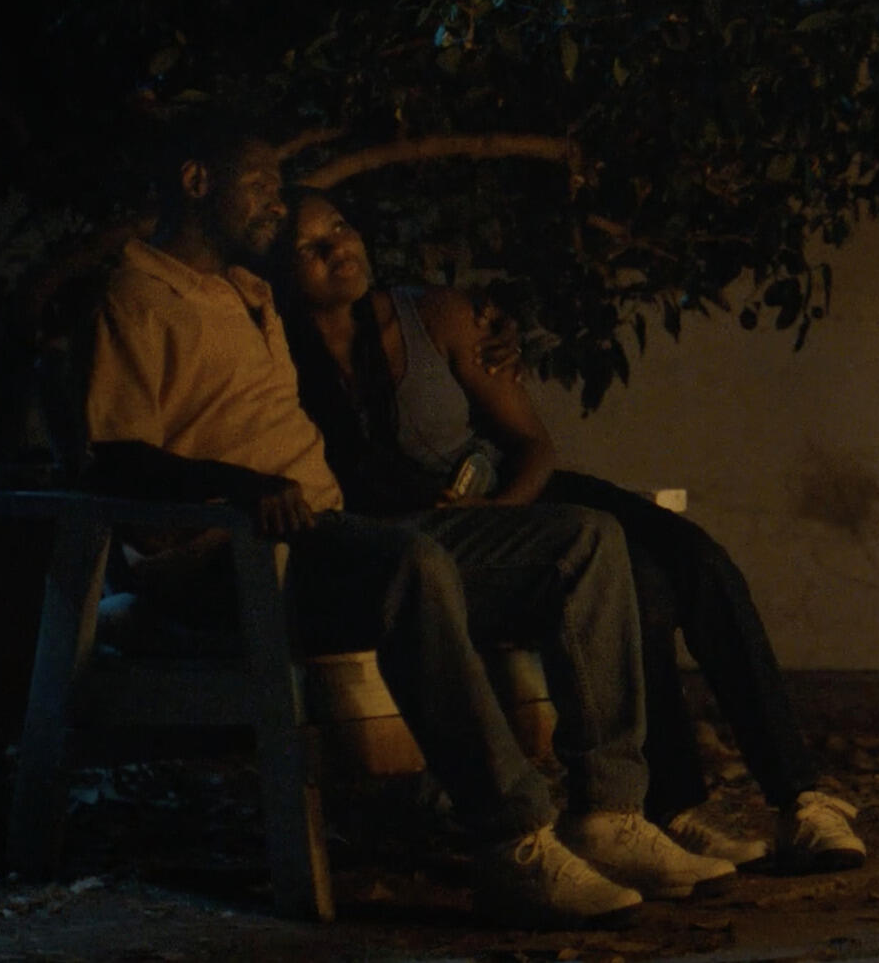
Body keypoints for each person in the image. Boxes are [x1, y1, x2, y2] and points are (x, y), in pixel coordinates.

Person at [81, 120, 734, 923]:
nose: (276, 205)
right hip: (227, 557)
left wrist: (486, 320)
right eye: (260, 185)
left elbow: (365, 302)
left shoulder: (250, 289)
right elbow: (110, 457)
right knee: (409, 563)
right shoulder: (135, 295)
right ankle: (510, 841)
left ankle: (607, 813)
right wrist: (238, 487)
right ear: (194, 181)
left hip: (327, 537)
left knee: (582, 537)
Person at [271, 186, 866, 873]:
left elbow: (531, 443)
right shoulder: (275, 358)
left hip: (519, 492)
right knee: (641, 589)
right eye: (310, 246)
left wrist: (506, 512)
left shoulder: (433, 315)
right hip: (440, 537)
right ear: (281, 270)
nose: (337, 249)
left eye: (341, 227)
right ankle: (669, 811)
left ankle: (802, 796)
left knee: (696, 559)